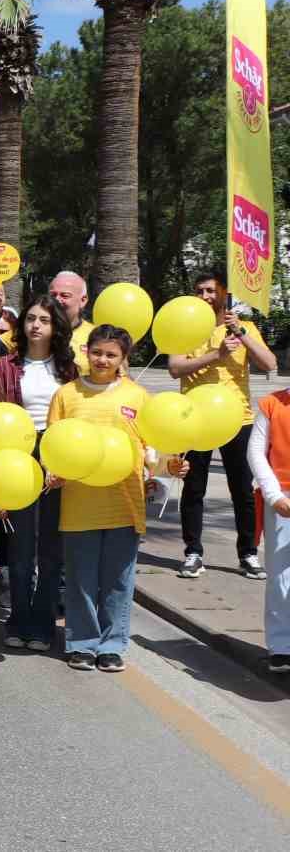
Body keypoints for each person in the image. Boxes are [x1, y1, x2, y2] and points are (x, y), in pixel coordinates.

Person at [50, 326, 185, 672]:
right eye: (97, 352)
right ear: (86, 351)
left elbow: (152, 450)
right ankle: (82, 643)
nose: (102, 360)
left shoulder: (139, 397)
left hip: (125, 502)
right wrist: (52, 471)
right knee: (80, 580)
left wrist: (170, 466)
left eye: (111, 355)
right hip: (79, 503)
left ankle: (112, 645)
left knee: (118, 581)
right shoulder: (66, 395)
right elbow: (53, 445)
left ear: (124, 358)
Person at [169, 269, 274, 580]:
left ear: (224, 294)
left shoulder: (244, 328)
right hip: (194, 418)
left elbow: (269, 364)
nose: (204, 296)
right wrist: (217, 354)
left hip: (237, 420)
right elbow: (175, 367)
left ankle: (248, 554)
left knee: (242, 491)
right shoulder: (185, 327)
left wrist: (240, 333)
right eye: (199, 291)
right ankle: (193, 552)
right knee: (193, 489)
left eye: (210, 291)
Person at [0, 295, 78, 649]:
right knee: (20, 547)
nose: (35, 325)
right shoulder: (5, 367)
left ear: (56, 327)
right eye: (30, 319)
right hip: (18, 454)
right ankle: (18, 621)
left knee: (52, 549)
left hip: (58, 453)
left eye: (44, 320)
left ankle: (43, 625)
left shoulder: (69, 369)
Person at [245, 383, 290, 673]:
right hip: (282, 499)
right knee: (280, 573)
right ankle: (282, 645)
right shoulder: (272, 403)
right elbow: (256, 453)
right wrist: (274, 495)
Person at [47, 270, 97, 370]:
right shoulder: (33, 332)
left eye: (65, 295)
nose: (57, 300)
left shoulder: (97, 335)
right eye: (53, 295)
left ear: (83, 300)